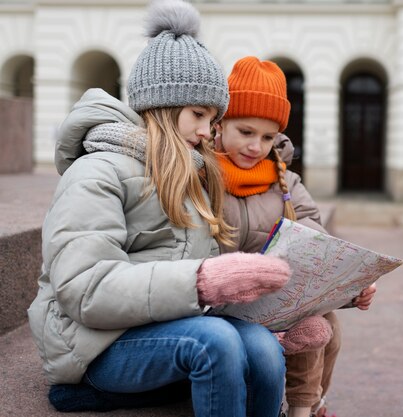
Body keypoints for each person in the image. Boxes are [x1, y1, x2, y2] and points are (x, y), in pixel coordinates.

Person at [27, 2, 290, 417]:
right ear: (165, 106)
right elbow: (85, 289)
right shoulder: (96, 172)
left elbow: (192, 283)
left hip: (168, 327)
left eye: (213, 119)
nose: (208, 132)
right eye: (199, 115)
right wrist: (202, 281)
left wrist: (282, 313)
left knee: (261, 346)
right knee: (215, 342)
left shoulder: (194, 173)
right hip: (95, 345)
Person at [213, 56, 377, 417]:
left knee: (324, 324)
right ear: (221, 123)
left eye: (268, 137)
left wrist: (352, 288)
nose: (256, 146)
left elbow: (317, 242)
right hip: (221, 300)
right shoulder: (202, 176)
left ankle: (307, 405)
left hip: (276, 297)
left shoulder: (285, 181)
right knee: (308, 323)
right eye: (246, 132)